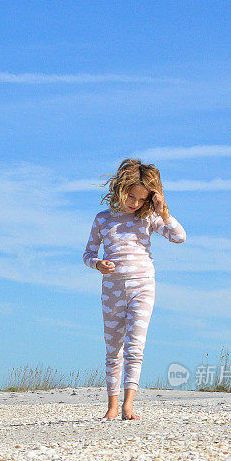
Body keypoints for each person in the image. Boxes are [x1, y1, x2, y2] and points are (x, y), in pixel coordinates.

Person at [83, 158, 186, 420]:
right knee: (113, 346)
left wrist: (162, 210)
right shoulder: (103, 219)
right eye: (131, 197)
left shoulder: (149, 218)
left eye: (141, 200)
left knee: (135, 346)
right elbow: (87, 253)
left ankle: (129, 405)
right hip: (112, 288)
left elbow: (179, 237)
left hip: (143, 285)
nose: (135, 204)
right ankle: (112, 406)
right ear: (119, 189)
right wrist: (97, 264)